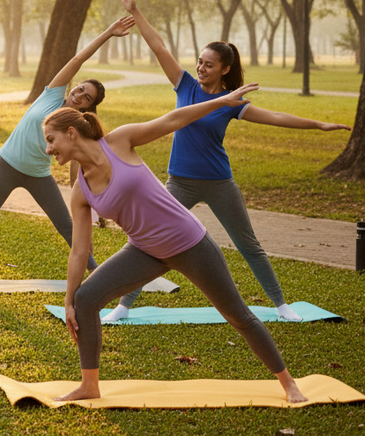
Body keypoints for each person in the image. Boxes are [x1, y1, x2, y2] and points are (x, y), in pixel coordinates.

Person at [43, 87, 307, 403]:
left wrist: (221, 102)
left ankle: (289, 383)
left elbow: (174, 119)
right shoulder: (80, 191)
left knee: (238, 315)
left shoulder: (120, 141)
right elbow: (79, 251)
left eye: (51, 139)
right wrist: (70, 301)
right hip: (144, 251)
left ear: (71, 133)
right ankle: (89, 386)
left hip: (189, 242)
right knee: (86, 299)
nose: (48, 149)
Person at [107, 0, 351, 323]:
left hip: (220, 183)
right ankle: (123, 306)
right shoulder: (185, 86)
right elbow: (158, 46)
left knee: (249, 246)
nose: (201, 68)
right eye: (199, 62)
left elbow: (275, 118)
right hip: (180, 182)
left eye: (209, 64)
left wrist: (317, 125)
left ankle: (282, 306)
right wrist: (135, 11)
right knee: (151, 239)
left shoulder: (232, 102)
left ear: (224, 69)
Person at [0, 17, 135, 289]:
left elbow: (78, 165)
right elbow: (79, 58)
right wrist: (108, 34)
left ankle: (95, 274)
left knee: (67, 227)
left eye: (86, 97)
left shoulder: (75, 128)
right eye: (80, 89)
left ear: (88, 107)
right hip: (6, 165)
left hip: (38, 175)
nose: (79, 95)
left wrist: (83, 195)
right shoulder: (52, 95)